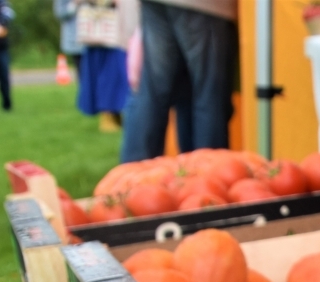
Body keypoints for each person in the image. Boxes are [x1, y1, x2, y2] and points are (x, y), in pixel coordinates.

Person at [119, 0, 236, 161]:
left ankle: (131, 180)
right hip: (205, 6)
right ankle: (208, 175)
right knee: (209, 96)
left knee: (153, 94)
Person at [76, 0, 136, 132]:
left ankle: (117, 113)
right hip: (102, 31)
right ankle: (107, 115)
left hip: (116, 31)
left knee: (118, 75)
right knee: (108, 75)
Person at [53, 0, 83, 72]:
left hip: (101, 40)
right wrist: (74, 4)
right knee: (83, 75)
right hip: (77, 41)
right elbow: (59, 13)